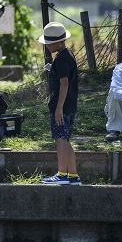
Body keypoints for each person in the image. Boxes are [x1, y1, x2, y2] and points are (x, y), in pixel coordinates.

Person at [38, 22, 81, 185]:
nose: (47, 46)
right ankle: (73, 176)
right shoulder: (67, 54)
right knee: (65, 138)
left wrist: (59, 108)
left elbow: (64, 83)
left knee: (60, 139)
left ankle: (62, 174)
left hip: (62, 106)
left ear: (59, 41)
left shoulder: (62, 59)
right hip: (68, 105)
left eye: (49, 43)